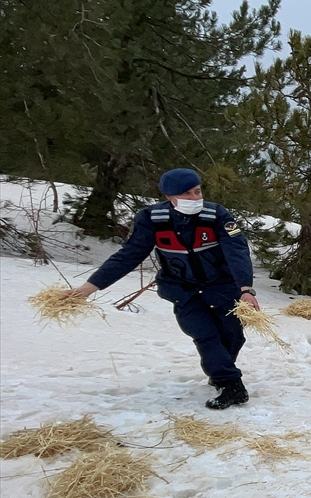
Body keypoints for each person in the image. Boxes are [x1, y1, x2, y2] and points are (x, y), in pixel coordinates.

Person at [62, 168, 259, 410]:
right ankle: (230, 385)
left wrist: (246, 289)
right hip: (183, 290)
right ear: (169, 197)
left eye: (197, 191)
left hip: (223, 288)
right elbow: (128, 255)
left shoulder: (217, 215)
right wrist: (88, 288)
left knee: (232, 335)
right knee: (205, 334)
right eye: (186, 194)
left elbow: (237, 251)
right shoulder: (152, 219)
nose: (195, 198)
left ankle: (220, 369)